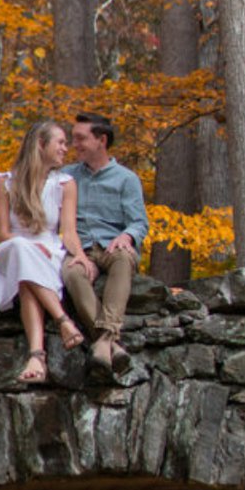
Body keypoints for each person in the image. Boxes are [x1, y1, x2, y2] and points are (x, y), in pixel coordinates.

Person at [0, 120, 87, 383]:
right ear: (41, 145)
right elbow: (4, 233)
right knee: (20, 248)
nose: (66, 148)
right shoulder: (6, 182)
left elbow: (69, 232)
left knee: (27, 277)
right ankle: (62, 319)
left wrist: (80, 256)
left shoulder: (65, 184)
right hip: (13, 248)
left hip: (48, 251)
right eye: (60, 142)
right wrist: (30, 246)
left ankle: (36, 356)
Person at [63, 112, 149, 374]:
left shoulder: (126, 179)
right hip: (81, 249)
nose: (73, 144)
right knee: (71, 272)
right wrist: (77, 252)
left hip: (113, 247)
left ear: (101, 140)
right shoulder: (67, 176)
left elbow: (139, 223)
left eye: (80, 138)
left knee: (125, 257)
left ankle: (102, 341)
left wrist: (127, 236)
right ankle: (111, 343)